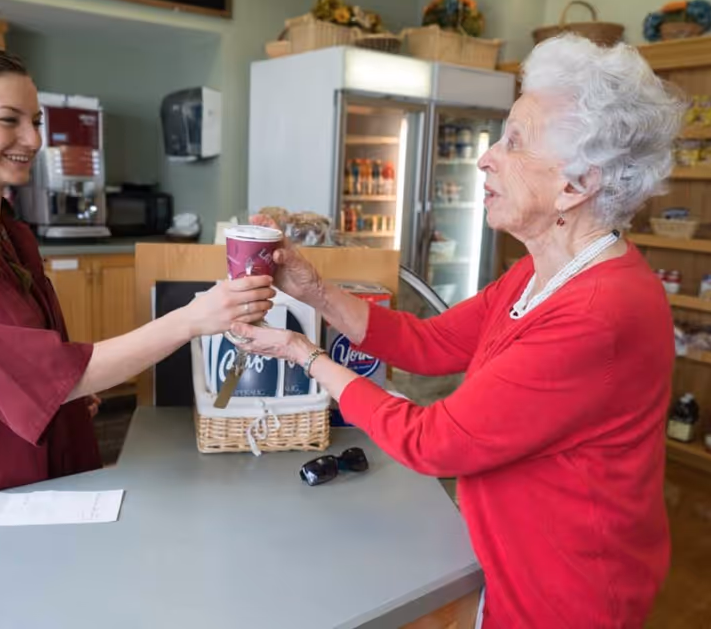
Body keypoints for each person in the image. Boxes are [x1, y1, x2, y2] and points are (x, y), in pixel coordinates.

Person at [231, 34, 683, 628]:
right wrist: (314, 290)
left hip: (567, 589)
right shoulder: (542, 270)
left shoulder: (599, 312)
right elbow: (432, 343)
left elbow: (433, 442)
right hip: (513, 559)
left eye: (515, 142)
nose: (486, 156)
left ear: (577, 184)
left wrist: (304, 353)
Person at [0, 46, 274, 514]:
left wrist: (68, 396)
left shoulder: (5, 228)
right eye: (9, 120)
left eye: (36, 121)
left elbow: (27, 362)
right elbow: (45, 376)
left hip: (29, 475)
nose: (32, 139)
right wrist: (192, 319)